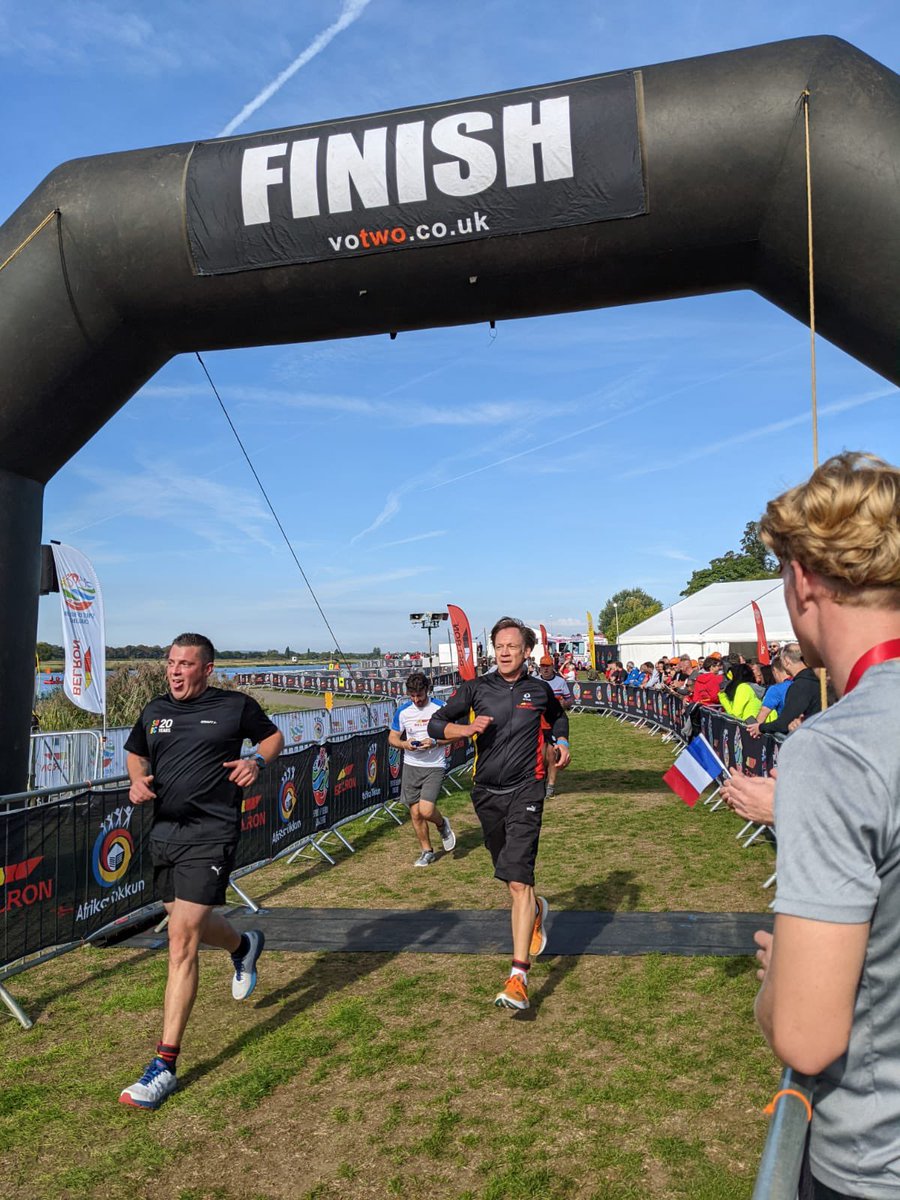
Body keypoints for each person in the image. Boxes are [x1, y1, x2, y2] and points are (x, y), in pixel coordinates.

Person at [751, 452, 900, 1199]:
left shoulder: (838, 747)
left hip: (874, 1162)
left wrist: (780, 977)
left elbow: (807, 1034)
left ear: (803, 578)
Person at [119, 633, 285, 1110]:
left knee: (181, 940)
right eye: (171, 662)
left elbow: (273, 737)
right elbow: (136, 750)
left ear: (206, 669)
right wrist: (135, 780)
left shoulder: (235, 706)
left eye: (185, 664)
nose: (174, 671)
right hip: (165, 833)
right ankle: (243, 944)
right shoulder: (153, 711)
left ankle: (163, 1067)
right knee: (186, 920)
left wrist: (256, 761)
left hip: (212, 832)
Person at [428, 617, 570, 1012]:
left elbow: (559, 715)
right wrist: (467, 729)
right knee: (512, 883)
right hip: (486, 794)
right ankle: (538, 911)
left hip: (527, 789)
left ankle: (518, 977)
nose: (505, 652)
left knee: (520, 881)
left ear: (527, 651)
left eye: (513, 646)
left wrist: (561, 741)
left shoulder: (539, 690)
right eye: (500, 646)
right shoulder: (476, 689)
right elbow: (438, 723)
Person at [388, 672, 456, 866]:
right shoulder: (403, 711)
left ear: (427, 690)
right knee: (415, 813)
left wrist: (435, 742)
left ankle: (442, 825)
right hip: (411, 765)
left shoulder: (440, 708)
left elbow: (456, 735)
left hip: (434, 765)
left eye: (420, 695)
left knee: (426, 810)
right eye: (412, 696)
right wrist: (405, 744)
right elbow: (392, 737)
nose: (416, 700)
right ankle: (427, 851)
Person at [759, 640, 822, 735]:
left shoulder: (799, 686)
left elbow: (785, 723)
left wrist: (760, 728)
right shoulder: (817, 679)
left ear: (787, 662)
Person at [537, 655, 573, 798]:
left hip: (555, 721)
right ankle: (541, 782)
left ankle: (550, 786)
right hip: (539, 722)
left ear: (553, 667)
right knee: (541, 755)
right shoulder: (534, 681)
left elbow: (569, 699)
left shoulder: (560, 681)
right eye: (543, 666)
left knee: (552, 754)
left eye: (548, 666)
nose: (545, 669)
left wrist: (566, 703)